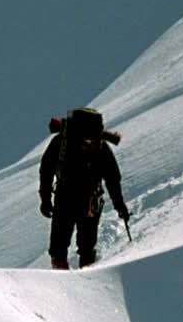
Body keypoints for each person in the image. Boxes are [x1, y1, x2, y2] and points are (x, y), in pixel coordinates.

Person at [38, 107, 130, 269]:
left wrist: (45, 199)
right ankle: (87, 280)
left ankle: (62, 280)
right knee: (86, 247)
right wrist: (119, 204)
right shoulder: (101, 147)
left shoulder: (61, 142)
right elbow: (112, 179)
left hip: (65, 197)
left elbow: (46, 171)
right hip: (90, 201)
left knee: (59, 246)